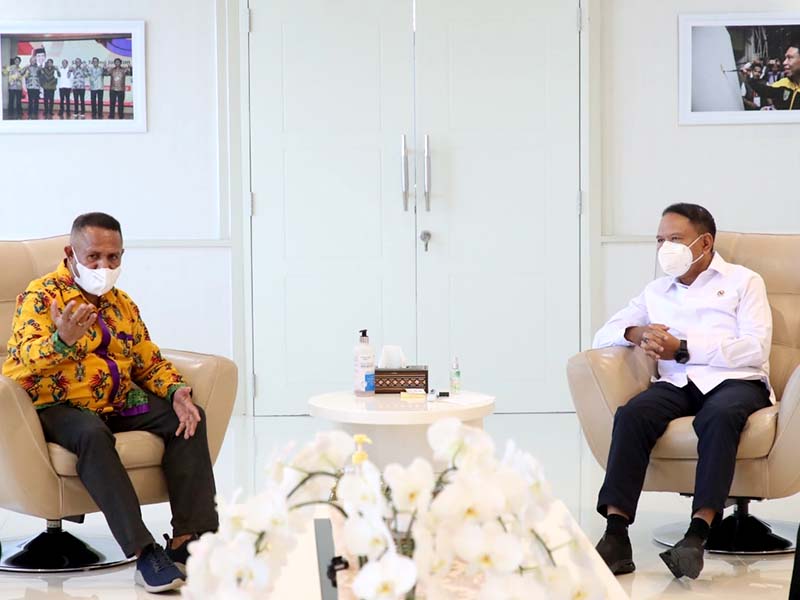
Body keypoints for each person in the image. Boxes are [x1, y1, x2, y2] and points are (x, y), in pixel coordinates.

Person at [2, 213, 220, 593]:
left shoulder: (122, 305)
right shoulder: (41, 296)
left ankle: (189, 541)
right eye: (94, 257)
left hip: (114, 399)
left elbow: (147, 359)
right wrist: (62, 340)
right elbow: (24, 358)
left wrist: (176, 392)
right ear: (71, 253)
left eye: (113, 257)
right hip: (54, 403)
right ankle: (144, 551)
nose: (104, 266)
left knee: (186, 418)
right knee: (91, 434)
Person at [592, 203, 772, 580]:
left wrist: (684, 348)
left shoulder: (744, 281)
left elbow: (755, 348)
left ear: (704, 242)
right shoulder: (656, 291)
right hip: (677, 383)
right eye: (660, 240)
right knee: (633, 414)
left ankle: (696, 535)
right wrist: (637, 333)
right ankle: (616, 535)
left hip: (736, 381)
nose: (665, 248)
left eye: (675, 239)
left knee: (718, 417)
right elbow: (603, 335)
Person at [749, 44, 800, 110]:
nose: (784, 62)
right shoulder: (785, 83)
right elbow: (765, 90)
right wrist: (749, 76)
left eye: (789, 58)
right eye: (785, 58)